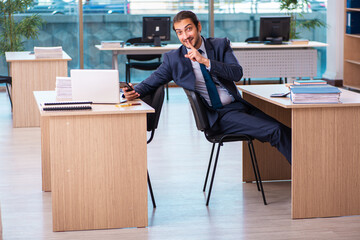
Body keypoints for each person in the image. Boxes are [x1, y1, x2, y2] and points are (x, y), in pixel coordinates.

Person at [123, 10, 291, 164]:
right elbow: (151, 82)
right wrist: (130, 92)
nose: (185, 36)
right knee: (276, 131)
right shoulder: (173, 59)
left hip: (240, 107)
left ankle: (305, 180)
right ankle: (306, 178)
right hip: (218, 117)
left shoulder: (219, 45)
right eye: (179, 32)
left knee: (286, 130)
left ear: (199, 27)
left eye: (188, 29)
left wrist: (205, 61)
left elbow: (236, 73)